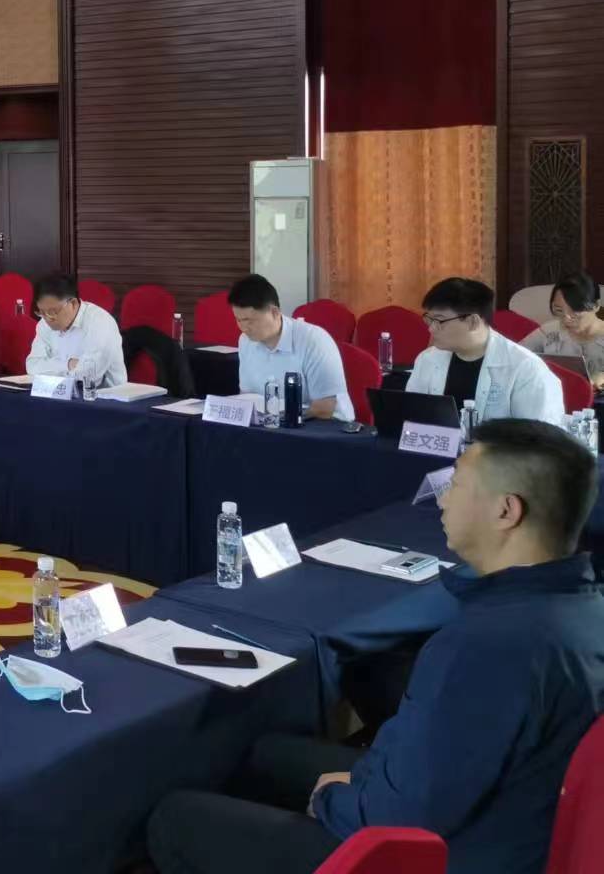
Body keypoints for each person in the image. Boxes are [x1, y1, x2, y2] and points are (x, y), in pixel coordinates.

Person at [146, 418, 604, 874]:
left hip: (444, 854)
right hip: (492, 813)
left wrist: (334, 799)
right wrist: (360, 780)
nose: (443, 498)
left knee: (176, 819)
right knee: (262, 754)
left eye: (457, 484)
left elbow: (405, 815)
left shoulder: (490, 646)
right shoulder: (583, 608)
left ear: (506, 511)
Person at [407, 277, 563, 425]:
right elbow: (411, 416)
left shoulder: (526, 368)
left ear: (472, 322)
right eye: (429, 319)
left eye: (439, 321)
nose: (431, 329)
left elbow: (539, 436)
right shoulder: (427, 359)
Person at [228, 274, 352, 420]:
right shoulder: (245, 341)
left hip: (325, 425)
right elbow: (247, 396)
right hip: (271, 425)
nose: (243, 328)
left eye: (249, 320)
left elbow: (325, 407)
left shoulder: (313, 340)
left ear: (274, 312)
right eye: (238, 320)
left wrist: (281, 417)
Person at [26, 271, 127, 390]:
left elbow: (89, 376)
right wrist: (68, 364)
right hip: (57, 393)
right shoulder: (44, 324)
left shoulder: (100, 322)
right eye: (42, 312)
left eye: (53, 312)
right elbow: (32, 366)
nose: (48, 319)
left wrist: (51, 368)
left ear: (73, 303)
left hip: (105, 396)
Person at [522, 271, 604, 391]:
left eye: (575, 311)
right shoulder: (549, 332)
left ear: (596, 306)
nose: (566, 319)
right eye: (559, 310)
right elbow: (516, 355)